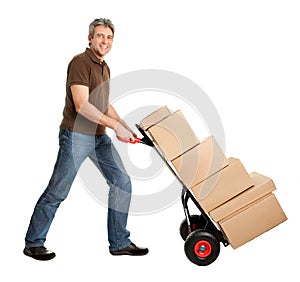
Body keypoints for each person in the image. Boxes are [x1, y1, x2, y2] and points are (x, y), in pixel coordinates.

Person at [23, 18, 148, 261]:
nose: (105, 41)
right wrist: (114, 126)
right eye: (100, 36)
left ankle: (119, 242)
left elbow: (103, 103)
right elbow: (82, 105)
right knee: (58, 191)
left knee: (122, 182)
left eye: (109, 37)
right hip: (76, 135)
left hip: (98, 137)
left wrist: (123, 125)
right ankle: (33, 243)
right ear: (90, 38)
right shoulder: (80, 62)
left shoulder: (104, 66)